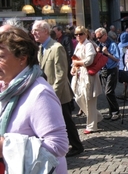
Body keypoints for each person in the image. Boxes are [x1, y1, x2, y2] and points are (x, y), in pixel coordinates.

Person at [0, 26, 68, 173]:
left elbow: (59, 145)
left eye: (1, 56)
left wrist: (7, 146)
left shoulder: (39, 94)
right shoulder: (5, 87)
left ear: (22, 58)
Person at [32, 20, 84, 157]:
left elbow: (61, 74)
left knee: (67, 121)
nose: (33, 33)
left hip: (59, 94)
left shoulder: (57, 47)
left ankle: (77, 146)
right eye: (33, 30)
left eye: (36, 30)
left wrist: (52, 95)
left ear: (45, 31)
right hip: (48, 93)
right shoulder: (41, 48)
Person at [70, 26, 103, 134]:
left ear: (85, 34)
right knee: (78, 98)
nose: (78, 36)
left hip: (88, 76)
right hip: (79, 76)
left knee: (90, 101)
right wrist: (73, 68)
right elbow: (75, 59)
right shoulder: (78, 45)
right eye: (76, 34)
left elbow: (89, 60)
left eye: (80, 34)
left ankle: (92, 126)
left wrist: (77, 64)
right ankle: (96, 116)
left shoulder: (88, 45)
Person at [95, 27, 121, 121]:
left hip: (112, 69)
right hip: (103, 70)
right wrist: (98, 52)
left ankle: (116, 112)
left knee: (108, 92)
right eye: (97, 37)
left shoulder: (113, 44)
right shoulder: (100, 43)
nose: (98, 39)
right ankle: (111, 111)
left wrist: (107, 53)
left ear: (105, 35)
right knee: (107, 93)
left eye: (99, 37)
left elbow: (117, 58)